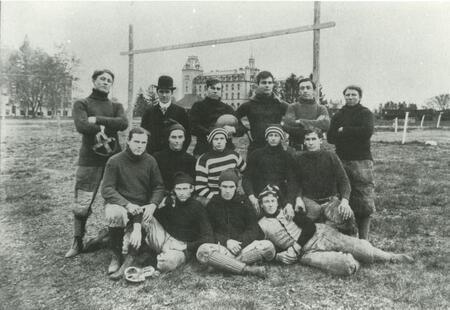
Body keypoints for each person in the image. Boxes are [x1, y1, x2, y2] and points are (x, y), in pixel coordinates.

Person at [257, 185, 413, 276]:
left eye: (272, 201)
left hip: (320, 235)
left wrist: (295, 248)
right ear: (261, 205)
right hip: (306, 254)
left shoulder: (288, 211)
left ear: (277, 202)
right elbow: (268, 249)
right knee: (346, 266)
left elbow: (310, 227)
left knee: (365, 251)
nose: (270, 204)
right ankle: (355, 259)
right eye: (266, 202)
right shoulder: (262, 224)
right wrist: (279, 257)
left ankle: (390, 257)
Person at [65, 69, 128, 258]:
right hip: (89, 161)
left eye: (109, 80)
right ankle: (77, 241)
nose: (106, 82)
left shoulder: (116, 105)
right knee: (82, 202)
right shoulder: (82, 103)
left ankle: (117, 239)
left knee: (118, 199)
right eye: (102, 79)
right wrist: (107, 125)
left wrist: (98, 120)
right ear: (94, 81)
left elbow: (123, 123)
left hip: (113, 160)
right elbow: (82, 126)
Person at [119, 171, 214, 276]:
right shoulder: (170, 203)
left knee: (168, 263)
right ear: (174, 190)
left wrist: (186, 246)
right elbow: (147, 214)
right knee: (145, 214)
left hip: (181, 248)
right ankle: (132, 256)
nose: (181, 193)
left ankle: (150, 260)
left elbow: (209, 237)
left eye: (185, 189)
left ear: (191, 189)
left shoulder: (197, 207)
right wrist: (137, 230)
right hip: (165, 238)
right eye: (178, 189)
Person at [101, 127, 165, 279]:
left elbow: (159, 186)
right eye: (136, 141)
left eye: (143, 142)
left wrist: (153, 204)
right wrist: (127, 204)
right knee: (114, 213)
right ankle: (116, 255)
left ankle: (132, 256)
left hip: (142, 208)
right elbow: (107, 189)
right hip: (122, 206)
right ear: (128, 141)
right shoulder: (115, 161)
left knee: (153, 236)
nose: (140, 146)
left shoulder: (150, 161)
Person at [196, 169, 276, 278]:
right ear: (219, 187)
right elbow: (209, 232)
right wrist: (226, 241)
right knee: (202, 251)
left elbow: (253, 229)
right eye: (224, 186)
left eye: (231, 187)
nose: (228, 190)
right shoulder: (213, 204)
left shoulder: (244, 202)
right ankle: (247, 269)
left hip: (244, 248)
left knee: (269, 247)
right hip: (223, 247)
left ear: (236, 187)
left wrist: (239, 243)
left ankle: (223, 265)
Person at [327, 85, 375, 240]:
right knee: (342, 196)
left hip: (361, 161)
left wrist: (344, 131)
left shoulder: (365, 113)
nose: (350, 97)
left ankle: (364, 239)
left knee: (364, 198)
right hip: (341, 159)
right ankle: (347, 236)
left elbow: (366, 132)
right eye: (347, 95)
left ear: (360, 97)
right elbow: (330, 137)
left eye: (353, 95)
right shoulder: (338, 115)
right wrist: (348, 132)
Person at [294, 128, 357, 236]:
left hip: (330, 201)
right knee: (303, 227)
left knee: (347, 217)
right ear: (304, 141)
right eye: (307, 139)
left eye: (314, 139)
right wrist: (298, 198)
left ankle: (352, 245)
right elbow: (295, 182)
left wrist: (345, 201)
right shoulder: (299, 159)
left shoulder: (330, 156)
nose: (310, 142)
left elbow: (344, 181)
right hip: (309, 201)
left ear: (320, 140)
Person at [243, 125, 297, 217]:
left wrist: (289, 203)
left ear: (281, 138)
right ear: (266, 138)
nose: (273, 138)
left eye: (276, 135)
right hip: (258, 194)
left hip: (280, 194)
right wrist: (251, 196)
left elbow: (292, 181)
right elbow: (246, 178)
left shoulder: (287, 157)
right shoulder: (256, 154)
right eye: (270, 135)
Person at [190, 78, 246, 156]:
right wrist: (211, 133)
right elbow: (192, 126)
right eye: (213, 88)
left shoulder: (227, 108)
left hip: (226, 151)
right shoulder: (198, 106)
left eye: (218, 89)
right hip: (204, 149)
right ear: (207, 89)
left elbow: (242, 128)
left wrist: (233, 129)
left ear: (221, 91)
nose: (215, 91)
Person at [235, 71, 289, 154]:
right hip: (255, 148)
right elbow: (234, 118)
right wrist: (244, 130)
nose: (267, 85)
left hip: (276, 148)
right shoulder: (249, 105)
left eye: (270, 82)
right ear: (257, 85)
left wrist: (285, 129)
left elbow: (295, 117)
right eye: (264, 83)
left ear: (273, 84)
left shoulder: (280, 104)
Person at [195, 127, 246, 205]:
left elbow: (246, 172)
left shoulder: (234, 155)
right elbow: (200, 187)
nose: (219, 142)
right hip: (213, 199)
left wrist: (239, 188)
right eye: (216, 139)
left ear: (226, 140)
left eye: (222, 138)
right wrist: (215, 198)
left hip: (232, 195)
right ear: (211, 141)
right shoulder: (204, 160)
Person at [141, 75, 191, 154]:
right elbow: (143, 134)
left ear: (172, 93)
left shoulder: (181, 112)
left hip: (174, 156)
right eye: (161, 91)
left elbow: (187, 135)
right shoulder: (149, 112)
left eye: (167, 92)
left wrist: (181, 152)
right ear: (157, 92)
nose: (164, 95)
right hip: (153, 156)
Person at [282, 78, 330, 151]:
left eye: (308, 88)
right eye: (302, 88)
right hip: (296, 150)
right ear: (299, 91)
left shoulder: (321, 108)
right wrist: (316, 125)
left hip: (315, 150)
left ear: (314, 91)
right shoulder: (292, 107)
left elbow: (326, 125)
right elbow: (288, 126)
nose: (305, 90)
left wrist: (301, 122)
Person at [153, 123, 196, 192]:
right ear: (168, 138)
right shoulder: (158, 157)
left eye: (180, 137)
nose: (177, 141)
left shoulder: (190, 160)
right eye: (173, 137)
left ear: (184, 138)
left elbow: (191, 182)